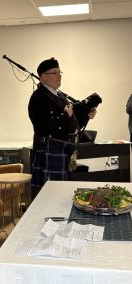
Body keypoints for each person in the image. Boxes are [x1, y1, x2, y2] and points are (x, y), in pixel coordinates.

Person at [28, 58, 96, 197]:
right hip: (50, 149)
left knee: (61, 192)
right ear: (43, 78)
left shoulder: (60, 96)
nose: (59, 76)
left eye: (60, 72)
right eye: (54, 73)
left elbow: (73, 123)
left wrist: (86, 115)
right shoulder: (38, 97)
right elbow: (42, 126)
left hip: (62, 150)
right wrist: (66, 116)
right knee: (49, 194)